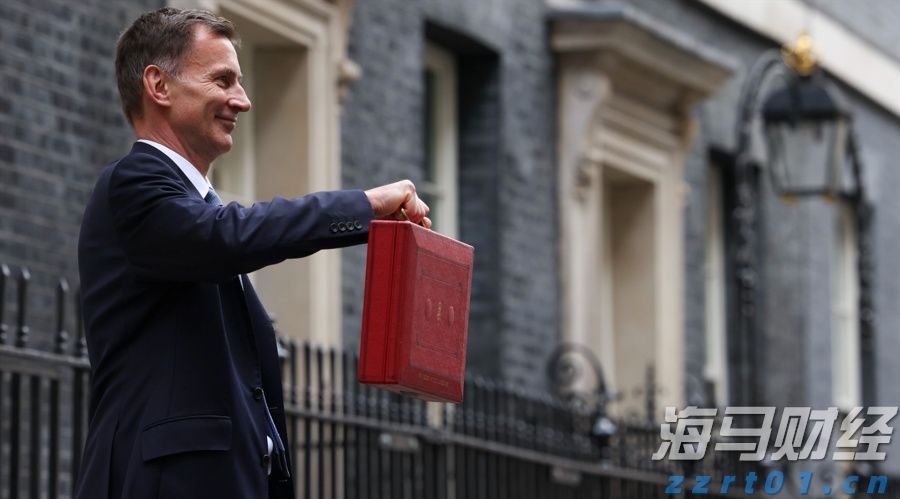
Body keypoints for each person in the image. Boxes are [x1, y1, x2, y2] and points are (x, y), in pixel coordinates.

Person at [74, 7, 429, 499]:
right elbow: (228, 237)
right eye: (222, 80)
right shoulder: (133, 183)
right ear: (159, 85)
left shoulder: (195, 207)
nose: (242, 101)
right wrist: (364, 206)